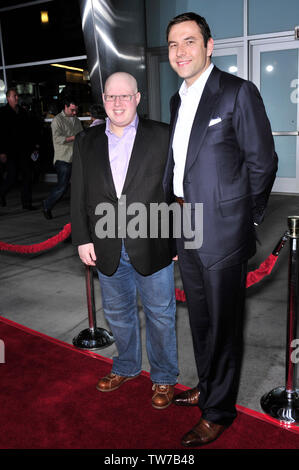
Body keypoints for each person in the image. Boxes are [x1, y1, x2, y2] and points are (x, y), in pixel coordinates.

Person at [163, 12, 278, 446]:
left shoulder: (237, 92)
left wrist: (246, 219)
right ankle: (207, 386)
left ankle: (219, 411)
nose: (180, 52)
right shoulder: (178, 100)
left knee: (225, 322)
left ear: (210, 46)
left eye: (189, 42)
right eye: (174, 45)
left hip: (224, 229)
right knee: (201, 318)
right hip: (185, 223)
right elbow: (180, 167)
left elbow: (263, 163)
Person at [71, 72, 179, 409]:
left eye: (124, 96)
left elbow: (179, 190)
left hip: (152, 242)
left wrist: (180, 240)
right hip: (105, 243)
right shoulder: (85, 141)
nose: (117, 103)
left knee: (161, 315)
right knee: (117, 314)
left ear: (137, 98)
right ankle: (127, 366)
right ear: (103, 100)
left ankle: (163, 377)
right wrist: (81, 238)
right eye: (110, 97)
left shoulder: (163, 135)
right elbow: (78, 195)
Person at [42, 96, 83, 219]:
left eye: (76, 110)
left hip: (75, 157)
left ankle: (80, 210)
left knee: (78, 185)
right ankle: (47, 205)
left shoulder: (76, 120)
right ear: (65, 107)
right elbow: (57, 139)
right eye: (72, 110)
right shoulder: (57, 120)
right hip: (63, 159)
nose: (74, 112)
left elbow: (81, 134)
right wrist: (73, 138)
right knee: (62, 187)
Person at [0, 88, 40, 209]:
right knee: (12, 178)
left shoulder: (22, 112)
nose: (17, 98)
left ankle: (26, 203)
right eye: (14, 96)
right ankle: (1, 193)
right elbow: (1, 134)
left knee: (27, 176)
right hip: (10, 151)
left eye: (17, 96)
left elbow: (28, 132)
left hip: (23, 151)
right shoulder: (2, 113)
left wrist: (33, 147)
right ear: (8, 98)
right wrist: (2, 152)